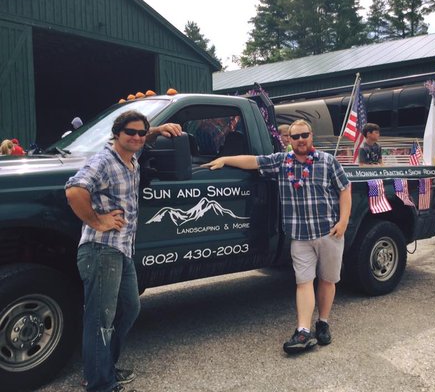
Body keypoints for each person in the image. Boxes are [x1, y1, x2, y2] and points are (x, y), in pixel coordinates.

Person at [202, 119, 351, 355]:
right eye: (295, 137)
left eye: (304, 135)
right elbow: (253, 161)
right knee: (303, 282)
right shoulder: (282, 162)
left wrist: (343, 221)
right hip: (299, 236)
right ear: (288, 140)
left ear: (311, 136)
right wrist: (225, 160)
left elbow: (345, 189)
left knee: (327, 280)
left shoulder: (327, 161)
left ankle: (323, 322)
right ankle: (303, 330)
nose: (300, 140)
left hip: (328, 232)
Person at [65, 110, 181, 392]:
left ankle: (102, 368)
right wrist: (97, 220)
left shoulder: (129, 158)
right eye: (131, 132)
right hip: (101, 250)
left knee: (129, 307)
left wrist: (157, 129)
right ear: (116, 134)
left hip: (121, 250)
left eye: (142, 133)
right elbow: (74, 190)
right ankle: (100, 383)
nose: (138, 137)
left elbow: (139, 137)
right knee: (99, 318)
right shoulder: (104, 160)